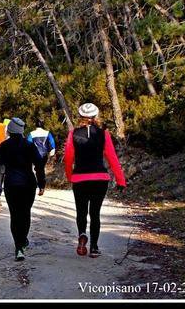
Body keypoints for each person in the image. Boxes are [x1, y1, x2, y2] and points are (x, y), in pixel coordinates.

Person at [64, 103, 127, 258]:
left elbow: (68, 158)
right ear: (96, 116)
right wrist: (121, 180)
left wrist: (70, 176)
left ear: (80, 117)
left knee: (81, 211)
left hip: (80, 179)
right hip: (100, 178)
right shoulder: (103, 134)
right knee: (95, 213)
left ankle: (82, 234)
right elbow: (112, 158)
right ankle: (94, 247)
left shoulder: (73, 134)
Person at [0, 117, 46, 261]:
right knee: (25, 213)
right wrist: (41, 183)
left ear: (9, 131)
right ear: (22, 131)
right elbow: (39, 165)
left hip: (11, 183)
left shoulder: (4, 146)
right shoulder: (29, 145)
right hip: (28, 183)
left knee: (15, 215)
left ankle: (18, 246)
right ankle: (22, 240)